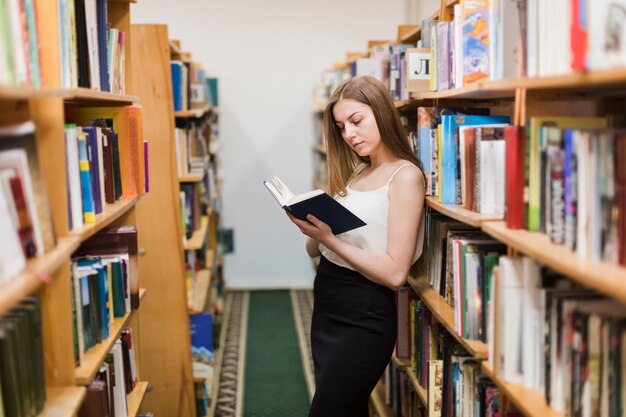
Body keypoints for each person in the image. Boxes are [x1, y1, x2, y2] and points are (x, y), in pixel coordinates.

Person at [288, 75, 426, 417]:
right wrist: (313, 227)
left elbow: (396, 273)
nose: (349, 134)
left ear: (380, 112)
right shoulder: (357, 173)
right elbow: (316, 250)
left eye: (356, 121)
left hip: (364, 314)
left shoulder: (405, 176)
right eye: (340, 126)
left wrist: (330, 239)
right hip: (329, 303)